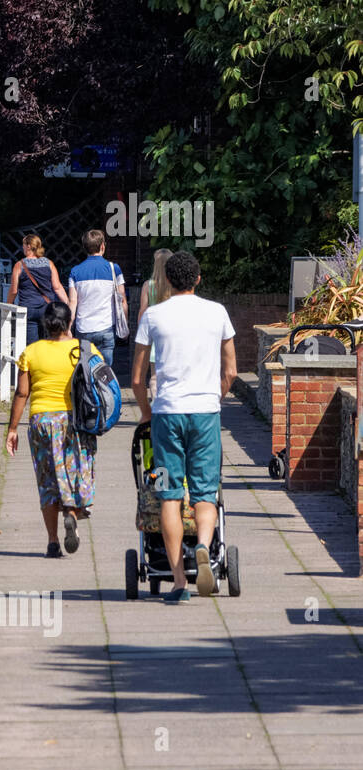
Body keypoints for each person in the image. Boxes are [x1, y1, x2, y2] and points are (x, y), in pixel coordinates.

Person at [131, 251, 237, 603]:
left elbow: (136, 378)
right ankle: (204, 547)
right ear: (198, 278)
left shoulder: (154, 316)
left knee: (169, 494)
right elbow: (231, 371)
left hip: (167, 415)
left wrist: (147, 413)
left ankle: (178, 581)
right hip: (204, 413)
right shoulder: (217, 313)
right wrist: (215, 399)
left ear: (166, 282)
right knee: (206, 492)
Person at [5, 301, 99, 558]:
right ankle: (72, 512)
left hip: (42, 422)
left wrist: (12, 428)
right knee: (77, 471)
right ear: (69, 323)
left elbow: (23, 392)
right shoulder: (84, 350)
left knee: (47, 479)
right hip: (74, 422)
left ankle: (52, 542)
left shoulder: (31, 352)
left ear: (45, 324)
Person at [67, 229, 127, 371]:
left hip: (84, 329)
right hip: (106, 328)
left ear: (84, 247)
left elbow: (72, 302)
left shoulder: (75, 271)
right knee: (105, 372)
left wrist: (68, 327)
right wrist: (125, 327)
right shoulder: (114, 269)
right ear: (102, 246)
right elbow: (122, 299)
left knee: (86, 372)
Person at [7, 233, 71, 347]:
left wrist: (8, 304)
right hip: (46, 309)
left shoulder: (19, 265)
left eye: (23, 245)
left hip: (28, 309)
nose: (22, 248)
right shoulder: (49, 263)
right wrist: (68, 303)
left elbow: (13, 290)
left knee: (32, 345)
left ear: (28, 246)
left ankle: (35, 363)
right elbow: (57, 287)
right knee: (47, 342)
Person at [138, 248, 174, 399]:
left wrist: (141, 332)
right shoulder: (175, 285)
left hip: (154, 335)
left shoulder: (148, 285)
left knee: (154, 377)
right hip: (173, 334)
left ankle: (155, 408)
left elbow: (143, 311)